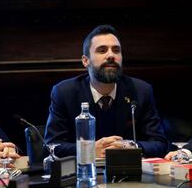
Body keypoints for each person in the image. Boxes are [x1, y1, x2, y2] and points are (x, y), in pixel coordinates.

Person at [44, 24, 168, 158]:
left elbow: (160, 143)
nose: (111, 55)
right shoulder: (64, 92)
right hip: (84, 173)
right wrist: (89, 150)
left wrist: (132, 146)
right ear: (85, 61)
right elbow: (52, 146)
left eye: (116, 50)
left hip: (129, 171)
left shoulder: (141, 90)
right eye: (102, 50)